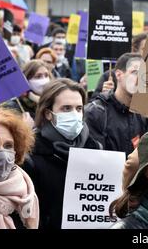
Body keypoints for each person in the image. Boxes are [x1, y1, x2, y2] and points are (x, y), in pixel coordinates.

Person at [22, 78, 103, 229]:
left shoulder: (95, 149)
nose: (74, 114)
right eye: (66, 108)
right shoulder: (32, 155)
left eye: (79, 108)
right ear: (48, 113)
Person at [84, 53, 148, 156]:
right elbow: (92, 159)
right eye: (135, 72)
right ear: (118, 75)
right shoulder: (95, 113)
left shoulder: (144, 116)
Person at [91, 32, 148, 99]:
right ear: (135, 51)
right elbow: (93, 103)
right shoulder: (112, 75)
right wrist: (105, 94)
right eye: (145, 49)